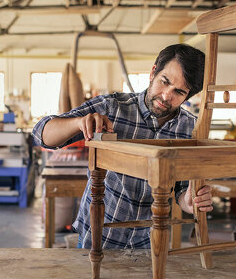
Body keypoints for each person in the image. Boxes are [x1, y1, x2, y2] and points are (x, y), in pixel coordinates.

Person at [32, 44, 213, 249]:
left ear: (188, 96)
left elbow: (181, 189)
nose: (166, 96)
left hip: (148, 241)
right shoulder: (113, 108)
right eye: (165, 82)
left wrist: (189, 202)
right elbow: (40, 134)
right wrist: (78, 122)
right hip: (97, 236)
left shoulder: (189, 128)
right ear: (153, 72)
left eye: (179, 92)